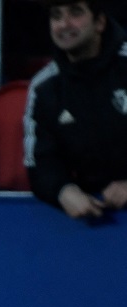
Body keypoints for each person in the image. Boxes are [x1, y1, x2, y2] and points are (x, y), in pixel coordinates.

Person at [24, 0, 127, 220]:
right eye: (56, 16)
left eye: (75, 13)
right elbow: (40, 161)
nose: (64, 24)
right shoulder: (44, 87)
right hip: (91, 215)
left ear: (100, 22)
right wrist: (63, 191)